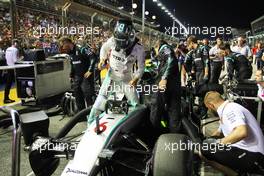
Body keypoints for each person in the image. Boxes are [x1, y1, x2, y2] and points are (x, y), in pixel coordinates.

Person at [87, 18, 145, 126]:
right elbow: (104, 48)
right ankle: (90, 124)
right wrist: (102, 60)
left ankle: (134, 126)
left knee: (136, 104)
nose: (121, 44)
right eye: (119, 40)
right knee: (100, 101)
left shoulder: (139, 48)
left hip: (127, 79)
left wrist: (136, 78)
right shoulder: (112, 41)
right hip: (111, 77)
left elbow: (141, 67)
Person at [201, 91, 264, 175]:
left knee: (206, 150)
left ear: (210, 105)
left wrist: (218, 143)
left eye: (208, 108)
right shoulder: (225, 109)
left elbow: (241, 132)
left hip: (254, 155)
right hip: (247, 150)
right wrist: (206, 141)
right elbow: (218, 133)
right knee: (205, 147)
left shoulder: (230, 109)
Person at [150, 40, 181, 133]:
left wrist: (164, 78)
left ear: (157, 46)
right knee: (174, 110)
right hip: (174, 85)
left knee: (156, 107)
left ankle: (153, 135)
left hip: (165, 84)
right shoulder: (166, 50)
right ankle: (174, 137)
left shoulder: (165, 48)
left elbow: (171, 59)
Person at [60, 37, 96, 111]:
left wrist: (90, 70)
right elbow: (73, 64)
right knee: (77, 95)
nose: (62, 48)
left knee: (88, 95)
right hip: (77, 77)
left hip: (86, 76)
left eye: (62, 45)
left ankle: (91, 115)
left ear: (67, 43)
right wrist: (71, 74)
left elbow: (93, 57)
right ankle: (81, 115)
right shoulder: (70, 53)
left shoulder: (81, 49)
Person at [4, 39, 19, 104]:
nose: (18, 45)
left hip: (8, 67)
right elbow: (15, 61)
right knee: (19, 82)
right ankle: (22, 98)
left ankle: (6, 98)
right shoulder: (15, 50)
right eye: (17, 43)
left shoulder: (7, 49)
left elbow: (6, 58)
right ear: (15, 43)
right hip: (14, 68)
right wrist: (21, 58)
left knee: (8, 84)